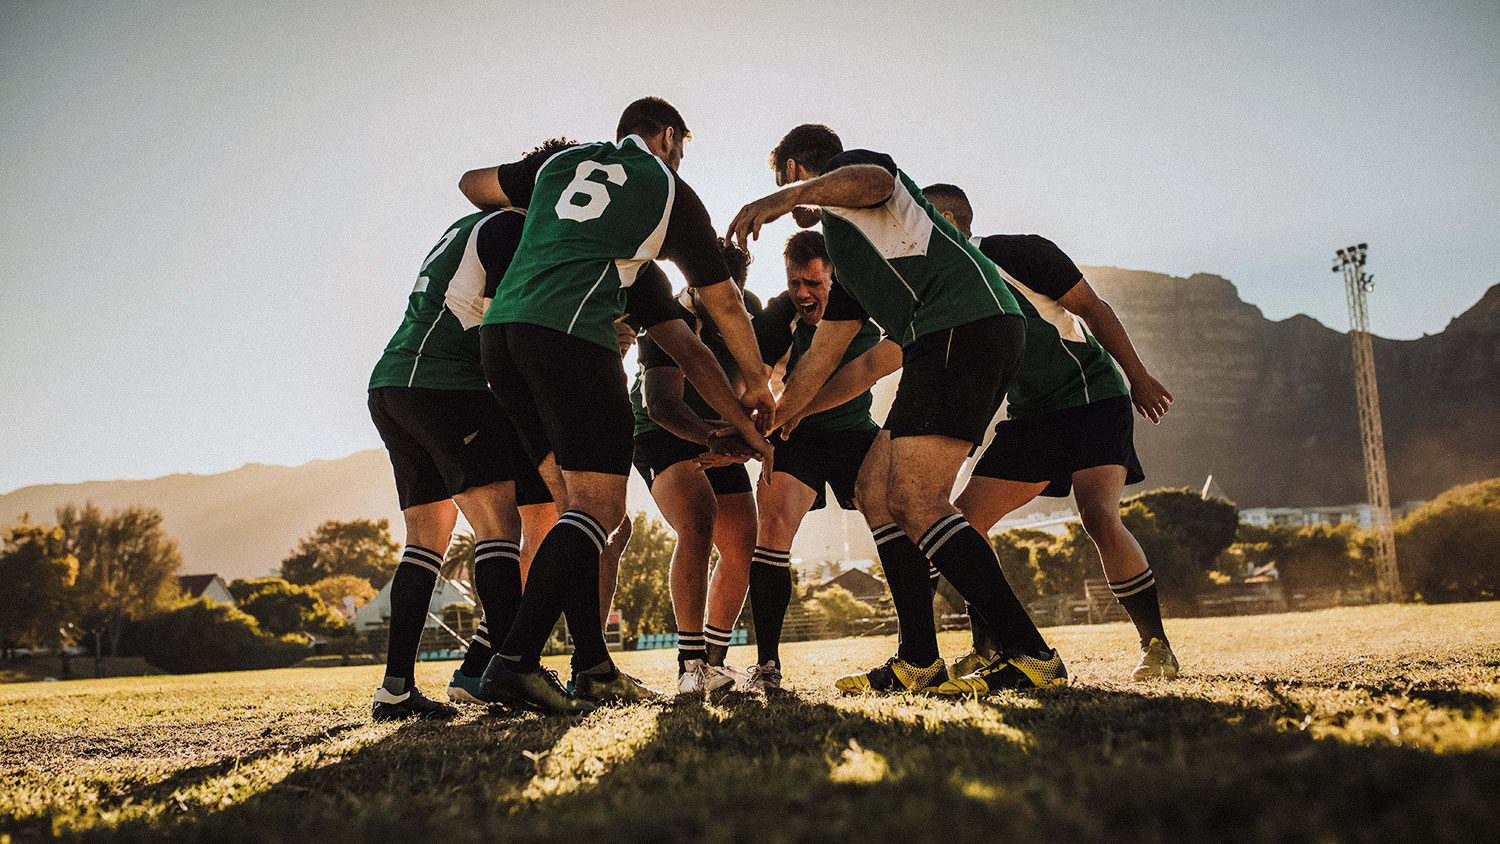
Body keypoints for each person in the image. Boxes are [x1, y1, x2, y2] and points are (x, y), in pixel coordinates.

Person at [460, 97, 774, 715]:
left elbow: (473, 185)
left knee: (579, 514)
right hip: (570, 338)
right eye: (680, 146)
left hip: (503, 339)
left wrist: (542, 209)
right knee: (600, 511)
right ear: (665, 136)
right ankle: (512, 660)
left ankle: (591, 667)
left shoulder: (568, 165)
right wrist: (759, 388)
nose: (680, 159)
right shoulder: (667, 191)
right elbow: (725, 307)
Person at [728, 124, 1065, 696]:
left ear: (791, 168)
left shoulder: (855, 174)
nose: (787, 200)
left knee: (916, 499)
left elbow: (877, 178)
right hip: (946, 337)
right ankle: (918, 659)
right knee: (877, 491)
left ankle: (1031, 654)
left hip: (966, 325)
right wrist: (775, 420)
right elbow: (839, 366)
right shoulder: (848, 250)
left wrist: (784, 198)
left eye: (782, 179)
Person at [919, 183, 1179, 682]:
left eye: (923, 221)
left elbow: (1093, 308)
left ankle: (1157, 647)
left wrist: (1138, 378)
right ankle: (991, 648)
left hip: (1091, 397)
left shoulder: (1017, 253)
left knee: (1098, 514)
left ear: (947, 220)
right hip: (1029, 417)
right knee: (961, 525)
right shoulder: (947, 291)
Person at [366, 193, 560, 721]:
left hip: (393, 382)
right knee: (499, 529)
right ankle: (504, 672)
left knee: (427, 540)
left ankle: (396, 690)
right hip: (446, 384)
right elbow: (502, 328)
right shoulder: (510, 229)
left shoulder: (467, 224)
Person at [735, 231, 895, 694]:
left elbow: (878, 363)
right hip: (794, 435)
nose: (802, 293)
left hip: (854, 432)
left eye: (813, 282)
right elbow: (753, 387)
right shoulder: (779, 316)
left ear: (834, 277)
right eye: (793, 283)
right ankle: (767, 667)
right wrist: (745, 425)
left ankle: (915, 652)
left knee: (903, 519)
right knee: (773, 528)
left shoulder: (866, 301)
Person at [630, 243, 760, 694]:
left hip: (719, 431)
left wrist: (742, 437)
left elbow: (751, 379)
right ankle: (690, 664)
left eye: (735, 295)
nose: (729, 302)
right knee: (698, 520)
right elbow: (662, 404)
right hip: (662, 430)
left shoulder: (747, 310)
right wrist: (715, 438)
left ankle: (714, 663)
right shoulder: (667, 315)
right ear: (694, 282)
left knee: (744, 542)